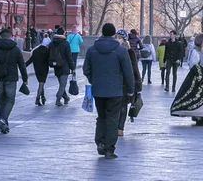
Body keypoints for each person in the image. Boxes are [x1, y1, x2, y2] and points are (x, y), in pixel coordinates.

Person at [83, 23, 134, 159]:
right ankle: (109, 149)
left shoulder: (92, 50)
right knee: (112, 118)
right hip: (115, 91)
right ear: (113, 34)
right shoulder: (121, 51)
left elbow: (86, 69)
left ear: (102, 33)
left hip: (98, 90)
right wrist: (130, 89)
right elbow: (128, 72)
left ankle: (100, 142)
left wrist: (94, 80)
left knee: (101, 116)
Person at [171, 33, 203, 125]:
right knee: (199, 97)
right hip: (199, 78)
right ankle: (199, 117)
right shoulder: (196, 52)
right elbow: (193, 65)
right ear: (199, 41)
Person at [0, 28, 29, 134]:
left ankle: (4, 123)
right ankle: (2, 121)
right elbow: (21, 65)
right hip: (11, 78)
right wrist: (25, 78)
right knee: (10, 101)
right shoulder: (15, 49)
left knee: (1, 101)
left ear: (0, 36)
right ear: (10, 36)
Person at [115, 29, 142, 137]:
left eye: (120, 38)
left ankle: (120, 128)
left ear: (124, 40)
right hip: (116, 81)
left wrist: (137, 84)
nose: (117, 40)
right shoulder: (114, 51)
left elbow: (135, 68)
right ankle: (116, 126)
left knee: (123, 105)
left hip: (126, 82)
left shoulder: (129, 52)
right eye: (116, 37)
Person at [48, 27, 74, 106]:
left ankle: (66, 98)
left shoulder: (52, 43)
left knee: (61, 84)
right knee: (63, 84)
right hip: (64, 66)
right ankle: (58, 99)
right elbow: (69, 56)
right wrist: (72, 67)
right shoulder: (65, 43)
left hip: (56, 67)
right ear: (63, 33)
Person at [26, 34, 51, 106]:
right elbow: (49, 61)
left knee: (41, 83)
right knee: (41, 83)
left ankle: (43, 97)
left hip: (37, 69)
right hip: (44, 69)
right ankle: (37, 99)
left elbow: (30, 60)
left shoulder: (35, 51)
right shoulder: (47, 51)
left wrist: (23, 66)